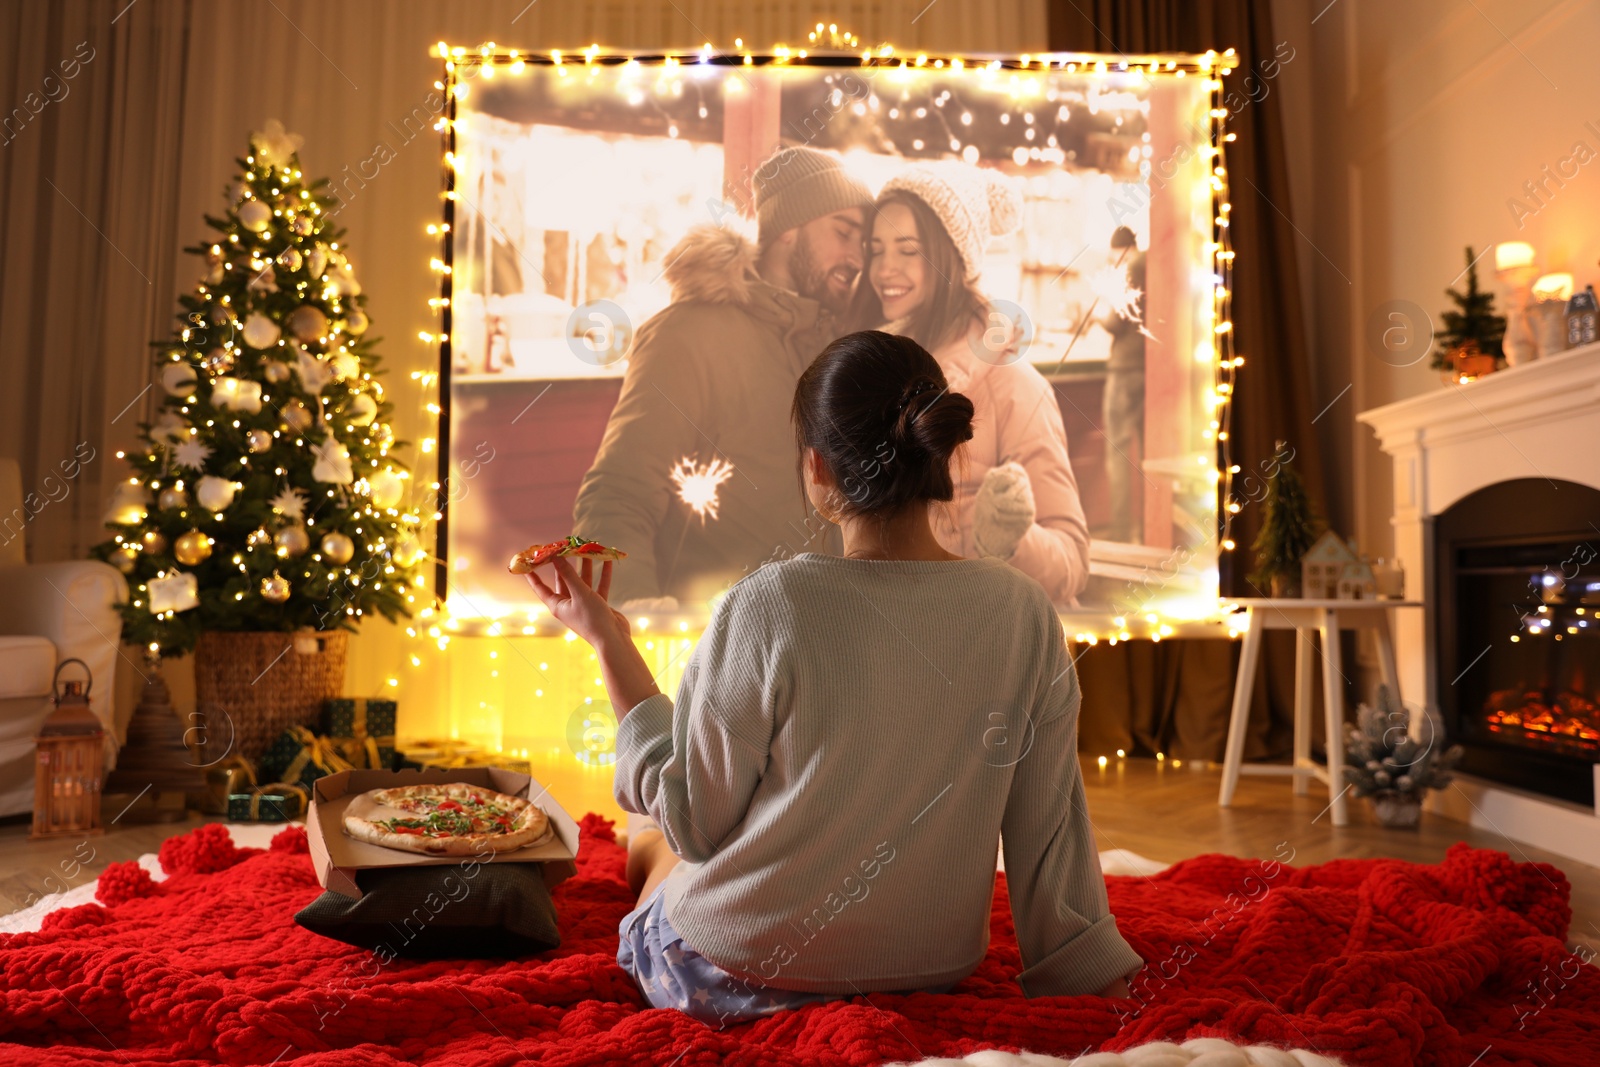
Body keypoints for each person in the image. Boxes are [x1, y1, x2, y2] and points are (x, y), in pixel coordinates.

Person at [526, 331, 1143, 1024]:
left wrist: (610, 642)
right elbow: (1048, 830)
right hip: (929, 973)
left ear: (817, 470)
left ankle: (643, 856)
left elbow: (698, 823)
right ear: (943, 453)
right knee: (671, 822)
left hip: (730, 977)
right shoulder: (1023, 612)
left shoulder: (769, 603)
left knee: (654, 828)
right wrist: (1086, 979)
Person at [572, 146, 873, 609]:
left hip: (818, 638)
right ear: (790, 230)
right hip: (713, 645)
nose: (856, 257)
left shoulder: (832, 346)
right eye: (844, 233)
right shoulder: (688, 335)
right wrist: (633, 615)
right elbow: (619, 490)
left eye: (862, 242)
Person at [852, 161, 1091, 604]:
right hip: (887, 642)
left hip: (980, 647)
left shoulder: (1014, 387)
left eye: (907, 250)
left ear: (952, 257)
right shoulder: (867, 380)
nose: (885, 269)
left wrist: (1010, 538)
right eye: (876, 248)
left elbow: (1071, 566)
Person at [1100, 225, 1147, 543]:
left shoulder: (1132, 266)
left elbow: (1117, 321)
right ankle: (1144, 531)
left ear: (1120, 250)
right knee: (1147, 455)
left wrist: (1097, 318)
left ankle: (1119, 533)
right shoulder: (1152, 265)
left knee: (1117, 453)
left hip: (1124, 371)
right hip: (1148, 369)